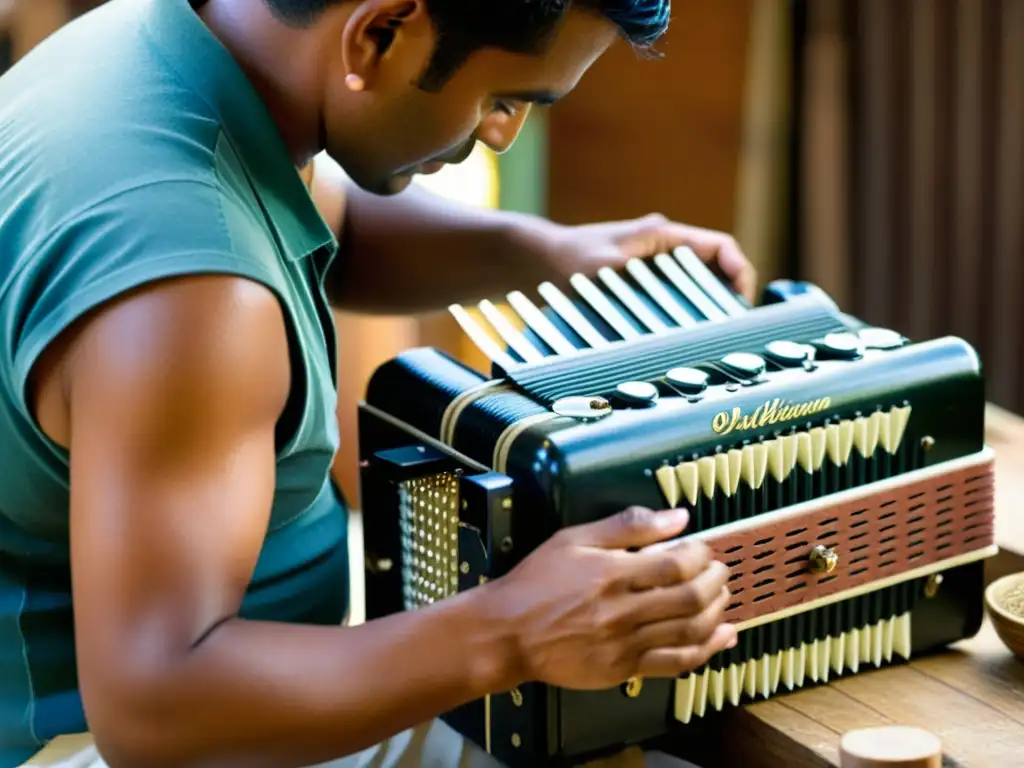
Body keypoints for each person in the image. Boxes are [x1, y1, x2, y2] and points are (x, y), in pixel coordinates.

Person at [0, 0, 756, 765]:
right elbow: (157, 709)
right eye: (503, 100)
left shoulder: (171, 44)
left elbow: (331, 219)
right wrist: (510, 631)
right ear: (381, 31)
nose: (501, 132)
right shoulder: (195, 289)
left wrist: (556, 253)